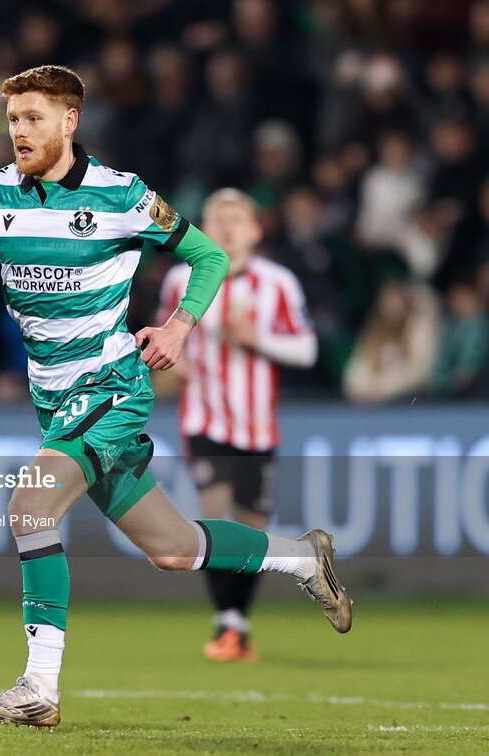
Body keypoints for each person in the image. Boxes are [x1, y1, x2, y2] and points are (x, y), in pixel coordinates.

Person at [0, 66, 351, 730]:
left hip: (110, 387)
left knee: (29, 507)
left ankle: (39, 687)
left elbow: (210, 257)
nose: (19, 131)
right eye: (13, 119)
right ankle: (304, 557)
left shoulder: (124, 196)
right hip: (52, 398)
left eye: (33, 118)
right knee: (172, 548)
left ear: (70, 121)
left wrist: (179, 327)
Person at [158, 188, 318, 663]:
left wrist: (257, 338)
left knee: (251, 528)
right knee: (216, 513)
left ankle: (237, 624)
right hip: (205, 418)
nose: (227, 227)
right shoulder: (180, 278)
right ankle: (229, 622)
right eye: (217, 219)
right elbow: (167, 341)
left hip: (258, 426)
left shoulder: (278, 283)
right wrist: (173, 362)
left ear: (255, 230)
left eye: (236, 219)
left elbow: (306, 350)